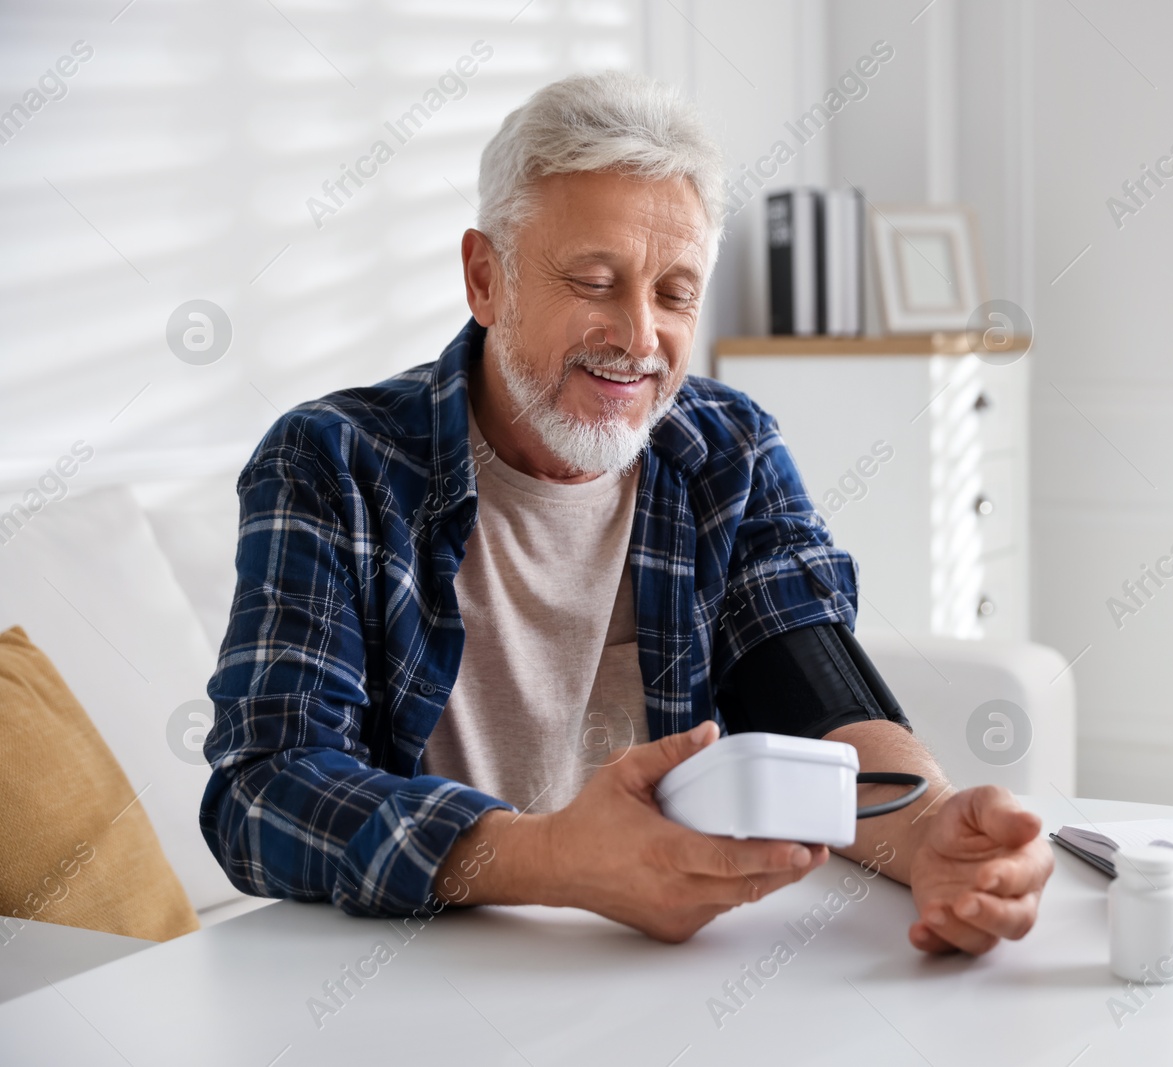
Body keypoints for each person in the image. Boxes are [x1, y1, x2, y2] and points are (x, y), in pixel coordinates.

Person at [201, 71, 1051, 955]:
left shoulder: (726, 449)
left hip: (665, 979)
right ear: (486, 279)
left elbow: (820, 698)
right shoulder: (334, 462)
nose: (639, 337)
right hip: (412, 971)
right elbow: (263, 791)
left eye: (675, 293)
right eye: (596, 281)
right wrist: (550, 859)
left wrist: (936, 833)